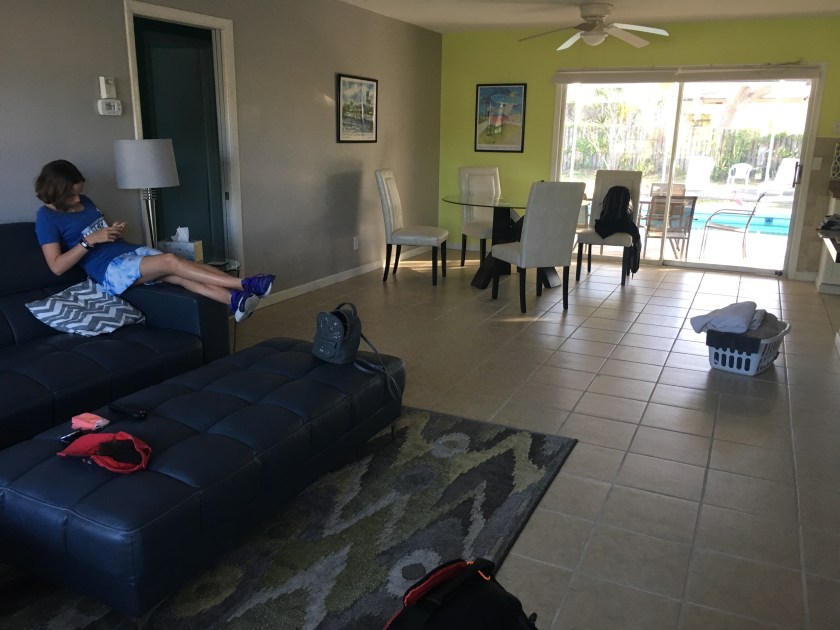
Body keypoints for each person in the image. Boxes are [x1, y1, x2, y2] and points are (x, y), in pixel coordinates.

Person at [34, 159, 273, 322]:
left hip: (126, 251)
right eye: (72, 195)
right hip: (109, 270)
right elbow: (57, 267)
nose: (78, 199)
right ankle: (245, 284)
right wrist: (88, 241)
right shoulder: (46, 218)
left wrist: (112, 231)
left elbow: (101, 231)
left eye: (79, 193)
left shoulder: (85, 201)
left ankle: (234, 301)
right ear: (55, 191)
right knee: (170, 261)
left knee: (179, 273)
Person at [593, 185, 641, 274]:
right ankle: (633, 265)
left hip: (606, 224)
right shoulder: (629, 225)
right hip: (624, 224)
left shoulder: (602, 223)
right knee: (636, 236)